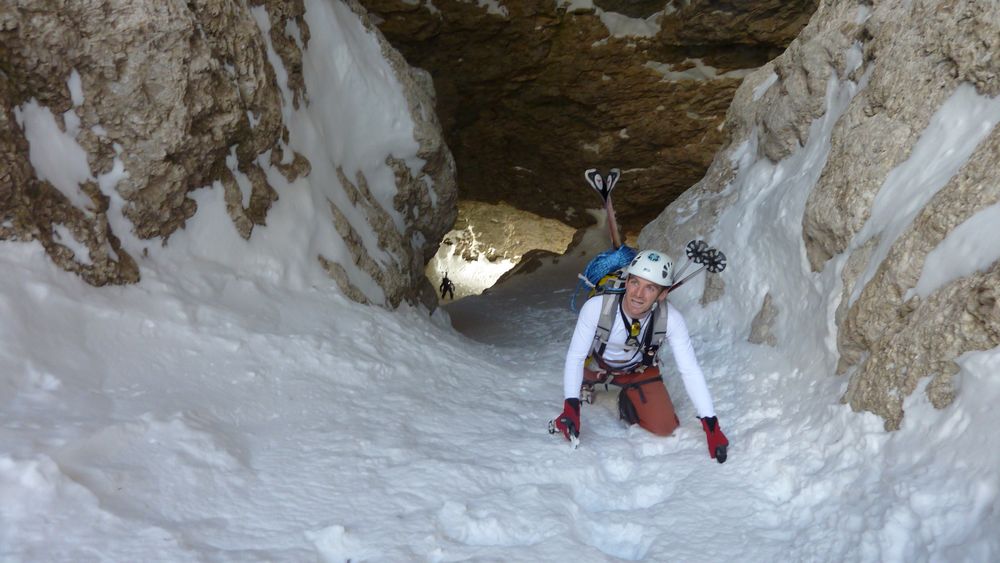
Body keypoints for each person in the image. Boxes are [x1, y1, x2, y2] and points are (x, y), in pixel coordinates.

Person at [552, 249, 730, 463]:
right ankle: (589, 382)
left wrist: (711, 425)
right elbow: (576, 357)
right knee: (580, 370)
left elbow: (690, 370)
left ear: (662, 294)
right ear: (626, 282)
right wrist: (571, 407)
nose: (638, 294)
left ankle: (627, 397)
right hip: (595, 367)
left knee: (665, 427)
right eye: (635, 282)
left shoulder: (671, 319)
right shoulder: (597, 307)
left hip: (636, 371)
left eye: (650, 288)